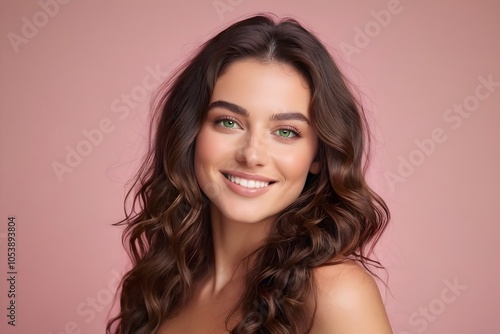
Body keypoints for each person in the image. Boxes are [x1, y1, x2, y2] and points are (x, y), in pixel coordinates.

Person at [106, 14, 392, 334]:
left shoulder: (336, 294)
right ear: (190, 134)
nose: (252, 155)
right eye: (229, 122)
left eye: (285, 131)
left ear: (319, 156)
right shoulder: (163, 283)